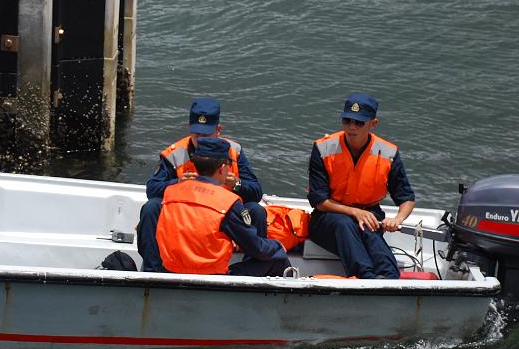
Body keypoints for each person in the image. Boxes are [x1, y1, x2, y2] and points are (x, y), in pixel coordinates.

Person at [307, 94, 415, 279]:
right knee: (345, 224)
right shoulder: (323, 148)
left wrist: (398, 219)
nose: (351, 127)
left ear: (373, 124)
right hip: (327, 218)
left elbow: (406, 197)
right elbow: (319, 201)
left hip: (369, 217)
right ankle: (365, 278)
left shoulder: (388, 153)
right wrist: (355, 212)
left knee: (382, 257)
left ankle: (390, 278)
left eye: (359, 122)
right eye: (347, 120)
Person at [149, 137, 290, 276]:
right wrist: (278, 247)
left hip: (170, 272)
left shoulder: (170, 193)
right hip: (211, 278)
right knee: (278, 261)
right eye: (229, 163)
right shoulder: (228, 202)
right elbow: (255, 247)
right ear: (223, 168)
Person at [146, 96, 266, 237]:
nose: (201, 140)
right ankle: (153, 260)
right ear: (189, 128)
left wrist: (237, 184)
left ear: (218, 130)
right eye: (197, 135)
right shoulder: (174, 154)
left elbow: (256, 192)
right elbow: (152, 190)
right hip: (185, 212)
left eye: (207, 135)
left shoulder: (235, 151)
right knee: (151, 207)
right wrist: (177, 183)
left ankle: (254, 258)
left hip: (222, 212)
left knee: (256, 211)